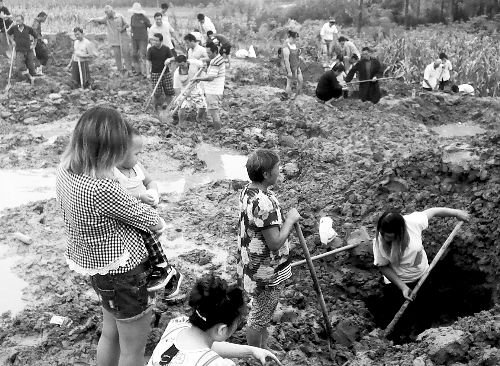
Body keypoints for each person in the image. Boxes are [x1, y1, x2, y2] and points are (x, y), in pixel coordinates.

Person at [56, 106, 167, 366]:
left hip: (98, 267)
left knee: (110, 334)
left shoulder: (66, 170)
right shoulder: (102, 186)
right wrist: (155, 214)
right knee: (133, 350)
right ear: (109, 147)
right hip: (125, 272)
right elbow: (149, 219)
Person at [371, 208, 469, 339]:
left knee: (425, 308)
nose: (385, 238)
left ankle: (423, 334)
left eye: (390, 236)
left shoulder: (412, 223)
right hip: (397, 283)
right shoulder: (379, 240)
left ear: (400, 232)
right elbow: (383, 267)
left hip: (423, 275)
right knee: (401, 316)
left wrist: (456, 213)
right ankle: (401, 339)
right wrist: (403, 287)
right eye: (383, 235)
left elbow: (434, 211)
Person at [237, 149, 301, 348]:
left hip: (253, 263)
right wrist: (290, 220)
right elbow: (274, 242)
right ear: (266, 174)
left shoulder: (249, 191)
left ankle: (262, 346)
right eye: (277, 168)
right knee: (258, 318)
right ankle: (255, 354)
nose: (280, 171)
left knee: (263, 312)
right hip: (267, 271)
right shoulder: (263, 203)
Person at [147, 274, 281, 366]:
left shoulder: (176, 325)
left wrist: (251, 351)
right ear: (222, 329)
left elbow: (206, 347)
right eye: (237, 325)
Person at [114, 127, 183, 295]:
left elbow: (151, 182)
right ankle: (166, 273)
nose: (139, 157)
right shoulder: (113, 173)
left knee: (151, 245)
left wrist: (153, 193)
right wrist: (140, 196)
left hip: (144, 214)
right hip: (131, 215)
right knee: (147, 249)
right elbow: (119, 199)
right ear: (120, 153)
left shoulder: (137, 167)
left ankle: (164, 269)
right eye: (136, 154)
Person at [88, 5, 132, 74]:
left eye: (107, 13)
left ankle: (129, 70)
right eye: (106, 13)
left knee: (126, 54)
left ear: (112, 11)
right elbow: (100, 19)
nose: (107, 14)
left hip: (123, 38)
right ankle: (120, 70)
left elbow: (127, 24)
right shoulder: (106, 18)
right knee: (117, 56)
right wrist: (93, 19)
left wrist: (122, 28)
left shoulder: (120, 16)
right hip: (114, 40)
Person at [192, 42, 226, 130]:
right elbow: (212, 73)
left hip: (214, 91)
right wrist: (206, 69)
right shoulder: (217, 59)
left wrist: (199, 78)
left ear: (215, 51)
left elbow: (211, 77)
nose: (208, 55)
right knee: (212, 111)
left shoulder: (216, 62)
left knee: (214, 112)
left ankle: (218, 131)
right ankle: (215, 129)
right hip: (214, 90)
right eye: (207, 53)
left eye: (209, 53)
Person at [172, 54, 206, 127]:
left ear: (186, 62)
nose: (181, 67)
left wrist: (203, 67)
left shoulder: (194, 63)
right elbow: (176, 87)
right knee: (182, 107)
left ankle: (199, 118)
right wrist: (179, 99)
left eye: (182, 65)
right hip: (184, 91)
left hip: (195, 88)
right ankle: (181, 123)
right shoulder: (177, 73)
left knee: (203, 106)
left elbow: (202, 64)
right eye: (179, 66)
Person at [146, 33, 175, 110]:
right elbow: (148, 62)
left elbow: (173, 58)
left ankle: (168, 106)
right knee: (157, 93)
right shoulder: (151, 50)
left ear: (161, 41)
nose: (154, 42)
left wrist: (169, 59)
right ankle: (155, 108)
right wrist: (148, 73)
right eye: (153, 40)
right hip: (155, 73)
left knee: (169, 91)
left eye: (156, 40)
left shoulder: (166, 49)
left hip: (166, 72)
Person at [7, 15, 38, 84]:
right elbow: (8, 34)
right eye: (16, 21)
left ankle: (32, 80)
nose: (17, 22)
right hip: (19, 50)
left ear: (23, 21)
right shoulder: (14, 28)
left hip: (28, 50)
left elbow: (35, 36)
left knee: (31, 66)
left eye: (19, 20)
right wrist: (12, 41)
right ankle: (28, 77)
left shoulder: (28, 28)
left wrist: (34, 45)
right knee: (20, 66)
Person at [128, 2, 151, 77]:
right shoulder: (133, 17)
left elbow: (150, 27)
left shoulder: (144, 18)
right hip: (134, 39)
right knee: (134, 54)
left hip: (143, 39)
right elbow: (132, 27)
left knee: (142, 54)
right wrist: (131, 35)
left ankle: (144, 72)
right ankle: (137, 71)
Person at [281, 30, 303, 99]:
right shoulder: (285, 47)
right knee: (290, 83)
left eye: (296, 39)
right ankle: (287, 95)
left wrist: (299, 55)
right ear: (289, 37)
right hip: (290, 67)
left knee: (300, 80)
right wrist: (289, 71)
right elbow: (286, 60)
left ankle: (296, 94)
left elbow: (296, 54)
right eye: (294, 39)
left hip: (296, 65)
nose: (295, 40)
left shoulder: (294, 44)